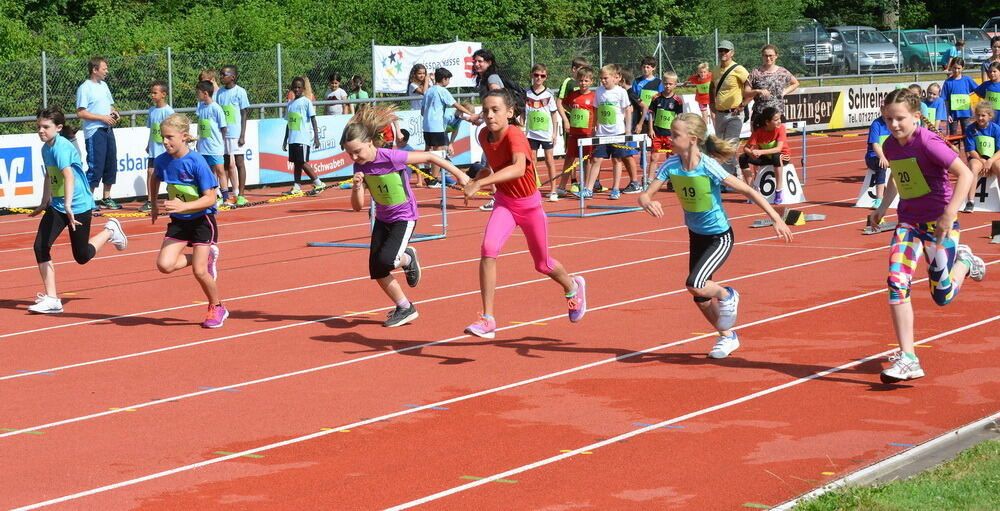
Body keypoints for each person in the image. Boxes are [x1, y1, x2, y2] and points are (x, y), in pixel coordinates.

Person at [638, 112, 792, 358]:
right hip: (696, 235)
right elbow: (646, 194)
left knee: (695, 284)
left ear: (692, 139)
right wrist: (646, 200)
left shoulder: (707, 165)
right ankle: (727, 337)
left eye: (675, 135)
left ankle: (728, 294)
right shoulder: (670, 165)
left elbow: (748, 191)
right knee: (699, 296)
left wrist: (776, 218)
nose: (669, 138)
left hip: (719, 236)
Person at [869, 89, 986, 383]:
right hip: (908, 223)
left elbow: (967, 175)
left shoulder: (929, 143)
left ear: (916, 116)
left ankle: (965, 262)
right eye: (888, 119)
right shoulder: (890, 146)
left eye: (900, 119)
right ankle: (909, 357)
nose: (894, 125)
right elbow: (898, 178)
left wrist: (949, 214)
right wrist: (882, 208)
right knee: (896, 282)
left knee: (942, 295)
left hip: (939, 225)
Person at [462, 89, 587, 338]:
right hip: (505, 204)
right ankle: (488, 319)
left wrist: (480, 184)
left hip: (529, 206)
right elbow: (494, 166)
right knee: (488, 249)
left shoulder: (515, 135)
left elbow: (518, 168)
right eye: (485, 110)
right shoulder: (484, 136)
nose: (489, 115)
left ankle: (573, 286)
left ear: (509, 112)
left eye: (495, 110)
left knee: (542, 264)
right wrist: (478, 178)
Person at [342, 105, 470, 327]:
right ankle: (404, 307)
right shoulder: (358, 167)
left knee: (388, 260)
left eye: (357, 151)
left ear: (369, 143)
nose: (354, 157)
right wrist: (357, 187)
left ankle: (408, 258)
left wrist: (459, 174)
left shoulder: (390, 157)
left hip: (404, 217)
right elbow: (356, 207)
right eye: (349, 153)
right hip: (382, 219)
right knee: (377, 269)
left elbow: (430, 156)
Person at [28, 107, 128, 314]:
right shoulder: (46, 148)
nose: (41, 130)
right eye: (39, 126)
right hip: (57, 206)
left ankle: (111, 230)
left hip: (78, 206)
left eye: (46, 127)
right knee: (40, 246)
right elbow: (50, 176)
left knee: (81, 256)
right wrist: (44, 201)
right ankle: (52, 299)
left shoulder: (61, 148)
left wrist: (68, 205)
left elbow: (69, 177)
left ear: (59, 127)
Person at [149, 113, 227, 329]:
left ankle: (217, 306)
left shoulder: (197, 162)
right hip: (179, 222)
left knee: (200, 272)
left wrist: (184, 206)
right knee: (164, 265)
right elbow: (154, 177)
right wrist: (153, 202)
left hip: (202, 220)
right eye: (162, 137)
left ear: (184, 137)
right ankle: (202, 256)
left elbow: (210, 198)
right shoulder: (162, 160)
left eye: (169, 137)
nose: (164, 142)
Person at [578, 64, 632, 199]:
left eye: (605, 78)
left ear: (616, 78)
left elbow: (627, 110)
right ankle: (588, 188)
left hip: (617, 132)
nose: (603, 81)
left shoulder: (621, 92)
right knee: (596, 159)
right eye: (601, 78)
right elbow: (596, 110)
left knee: (617, 160)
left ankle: (615, 189)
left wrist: (628, 130)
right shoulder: (599, 91)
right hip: (602, 132)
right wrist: (593, 127)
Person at [75, 56, 122, 210]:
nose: (106, 71)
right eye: (104, 68)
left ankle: (106, 198)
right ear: (94, 70)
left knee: (110, 163)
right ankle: (88, 200)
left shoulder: (104, 85)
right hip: (94, 132)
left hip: (108, 130)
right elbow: (81, 113)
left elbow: (109, 106)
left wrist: (114, 113)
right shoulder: (85, 88)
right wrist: (102, 118)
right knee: (96, 166)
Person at [421, 68, 474, 187]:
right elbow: (456, 105)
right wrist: (471, 114)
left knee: (429, 149)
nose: (448, 82)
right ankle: (433, 180)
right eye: (448, 79)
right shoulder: (442, 91)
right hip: (436, 126)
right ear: (444, 79)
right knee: (438, 152)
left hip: (426, 125)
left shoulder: (429, 91)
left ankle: (429, 176)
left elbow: (422, 110)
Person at [710, 40, 750, 177]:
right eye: (720, 50)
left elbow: (749, 85)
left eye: (726, 51)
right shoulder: (715, 70)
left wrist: (743, 104)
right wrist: (711, 103)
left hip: (734, 114)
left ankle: (731, 176)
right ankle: (733, 172)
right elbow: (712, 85)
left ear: (732, 53)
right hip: (720, 113)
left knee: (730, 145)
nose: (723, 53)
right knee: (721, 146)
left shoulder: (739, 69)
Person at [556, 66, 596, 198]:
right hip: (574, 134)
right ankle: (562, 187)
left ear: (591, 81)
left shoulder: (593, 97)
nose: (583, 83)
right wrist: (570, 115)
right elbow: (563, 104)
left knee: (587, 161)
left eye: (586, 81)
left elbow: (596, 113)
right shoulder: (573, 95)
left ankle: (585, 187)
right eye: (580, 81)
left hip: (587, 134)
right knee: (569, 159)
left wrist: (594, 127)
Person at [282, 76, 326, 195]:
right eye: (294, 87)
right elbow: (289, 123)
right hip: (292, 139)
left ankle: (318, 183)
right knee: (296, 163)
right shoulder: (290, 104)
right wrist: (285, 140)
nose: (296, 89)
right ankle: (297, 186)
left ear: (303, 89)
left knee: (302, 162)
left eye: (299, 87)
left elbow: (313, 119)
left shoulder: (306, 102)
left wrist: (316, 138)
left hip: (302, 138)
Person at [738, 106, 792, 201]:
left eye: (779, 118)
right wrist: (751, 153)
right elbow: (746, 148)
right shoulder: (758, 132)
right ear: (767, 122)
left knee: (776, 156)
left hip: (783, 157)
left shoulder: (781, 129)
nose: (779, 121)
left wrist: (760, 151)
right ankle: (752, 190)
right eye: (776, 120)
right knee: (743, 158)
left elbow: (778, 149)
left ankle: (779, 190)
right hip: (766, 158)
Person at [215, 65, 251, 206]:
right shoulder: (219, 93)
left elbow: (244, 114)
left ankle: (241, 195)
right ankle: (225, 194)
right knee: (223, 164)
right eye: (221, 74)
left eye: (224, 74)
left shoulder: (240, 92)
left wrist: (242, 134)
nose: (221, 76)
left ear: (233, 77)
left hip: (235, 133)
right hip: (223, 134)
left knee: (239, 162)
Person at [525, 64, 561, 200]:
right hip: (531, 133)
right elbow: (523, 113)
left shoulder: (549, 94)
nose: (539, 78)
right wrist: (523, 128)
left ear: (546, 77)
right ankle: (533, 188)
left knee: (549, 160)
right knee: (531, 161)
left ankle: (553, 190)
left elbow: (554, 114)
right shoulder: (526, 93)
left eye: (542, 76)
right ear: (532, 75)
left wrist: (555, 134)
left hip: (546, 133)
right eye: (536, 75)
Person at [140, 80, 174, 213]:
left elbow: (172, 130)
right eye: (152, 93)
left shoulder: (168, 111)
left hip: (165, 150)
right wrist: (149, 144)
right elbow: (152, 130)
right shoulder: (152, 110)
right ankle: (150, 200)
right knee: (150, 173)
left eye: (155, 93)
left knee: (169, 174)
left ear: (163, 94)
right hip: (154, 150)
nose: (152, 95)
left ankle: (173, 196)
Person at [744, 44, 799, 125]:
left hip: (777, 113)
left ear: (776, 56)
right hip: (760, 113)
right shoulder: (755, 72)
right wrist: (758, 91)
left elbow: (796, 83)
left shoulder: (782, 72)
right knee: (759, 137)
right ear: (762, 56)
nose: (768, 58)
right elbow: (746, 93)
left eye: (771, 56)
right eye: (765, 56)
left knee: (778, 137)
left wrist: (784, 92)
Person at [961, 101, 1000, 213]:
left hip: (994, 158)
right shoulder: (970, 129)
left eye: (983, 115)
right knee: (973, 168)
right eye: (978, 115)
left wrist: (990, 161)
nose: (980, 118)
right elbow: (970, 150)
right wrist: (982, 160)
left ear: (990, 116)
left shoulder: (996, 129)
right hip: (977, 157)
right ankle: (970, 201)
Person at [194, 80, 228, 207]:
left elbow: (223, 127)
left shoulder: (216, 108)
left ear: (206, 93)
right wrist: (198, 139)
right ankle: (212, 196)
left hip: (215, 147)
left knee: (220, 171)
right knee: (208, 172)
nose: (197, 95)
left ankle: (225, 198)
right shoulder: (201, 107)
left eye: (199, 93)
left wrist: (220, 142)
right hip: (203, 147)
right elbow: (201, 125)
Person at [646, 71, 683, 177]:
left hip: (669, 134)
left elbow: (679, 117)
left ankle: (672, 179)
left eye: (670, 84)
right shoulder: (656, 97)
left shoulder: (677, 101)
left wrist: (677, 133)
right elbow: (651, 114)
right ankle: (650, 179)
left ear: (675, 85)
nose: (667, 86)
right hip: (657, 133)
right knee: (654, 157)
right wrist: (650, 129)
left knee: (671, 157)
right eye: (665, 83)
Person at [941, 58, 977, 139]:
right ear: (951, 67)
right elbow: (945, 99)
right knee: (953, 136)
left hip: (965, 112)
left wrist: (968, 94)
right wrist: (947, 114)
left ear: (963, 68)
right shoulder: (948, 82)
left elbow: (977, 89)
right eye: (954, 68)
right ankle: (954, 151)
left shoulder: (967, 79)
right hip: (953, 114)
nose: (956, 70)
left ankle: (968, 151)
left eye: (958, 68)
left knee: (967, 134)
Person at [556, 57, 590, 143]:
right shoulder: (568, 82)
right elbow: (560, 102)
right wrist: (566, 120)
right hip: (571, 120)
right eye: (581, 69)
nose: (583, 72)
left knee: (586, 147)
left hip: (584, 122)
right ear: (574, 69)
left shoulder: (585, 82)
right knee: (571, 148)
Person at [864, 109, 892, 210]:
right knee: (882, 165)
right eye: (885, 109)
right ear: (881, 110)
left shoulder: (894, 123)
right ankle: (879, 198)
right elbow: (875, 144)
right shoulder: (876, 124)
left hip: (890, 157)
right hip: (874, 157)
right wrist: (882, 157)